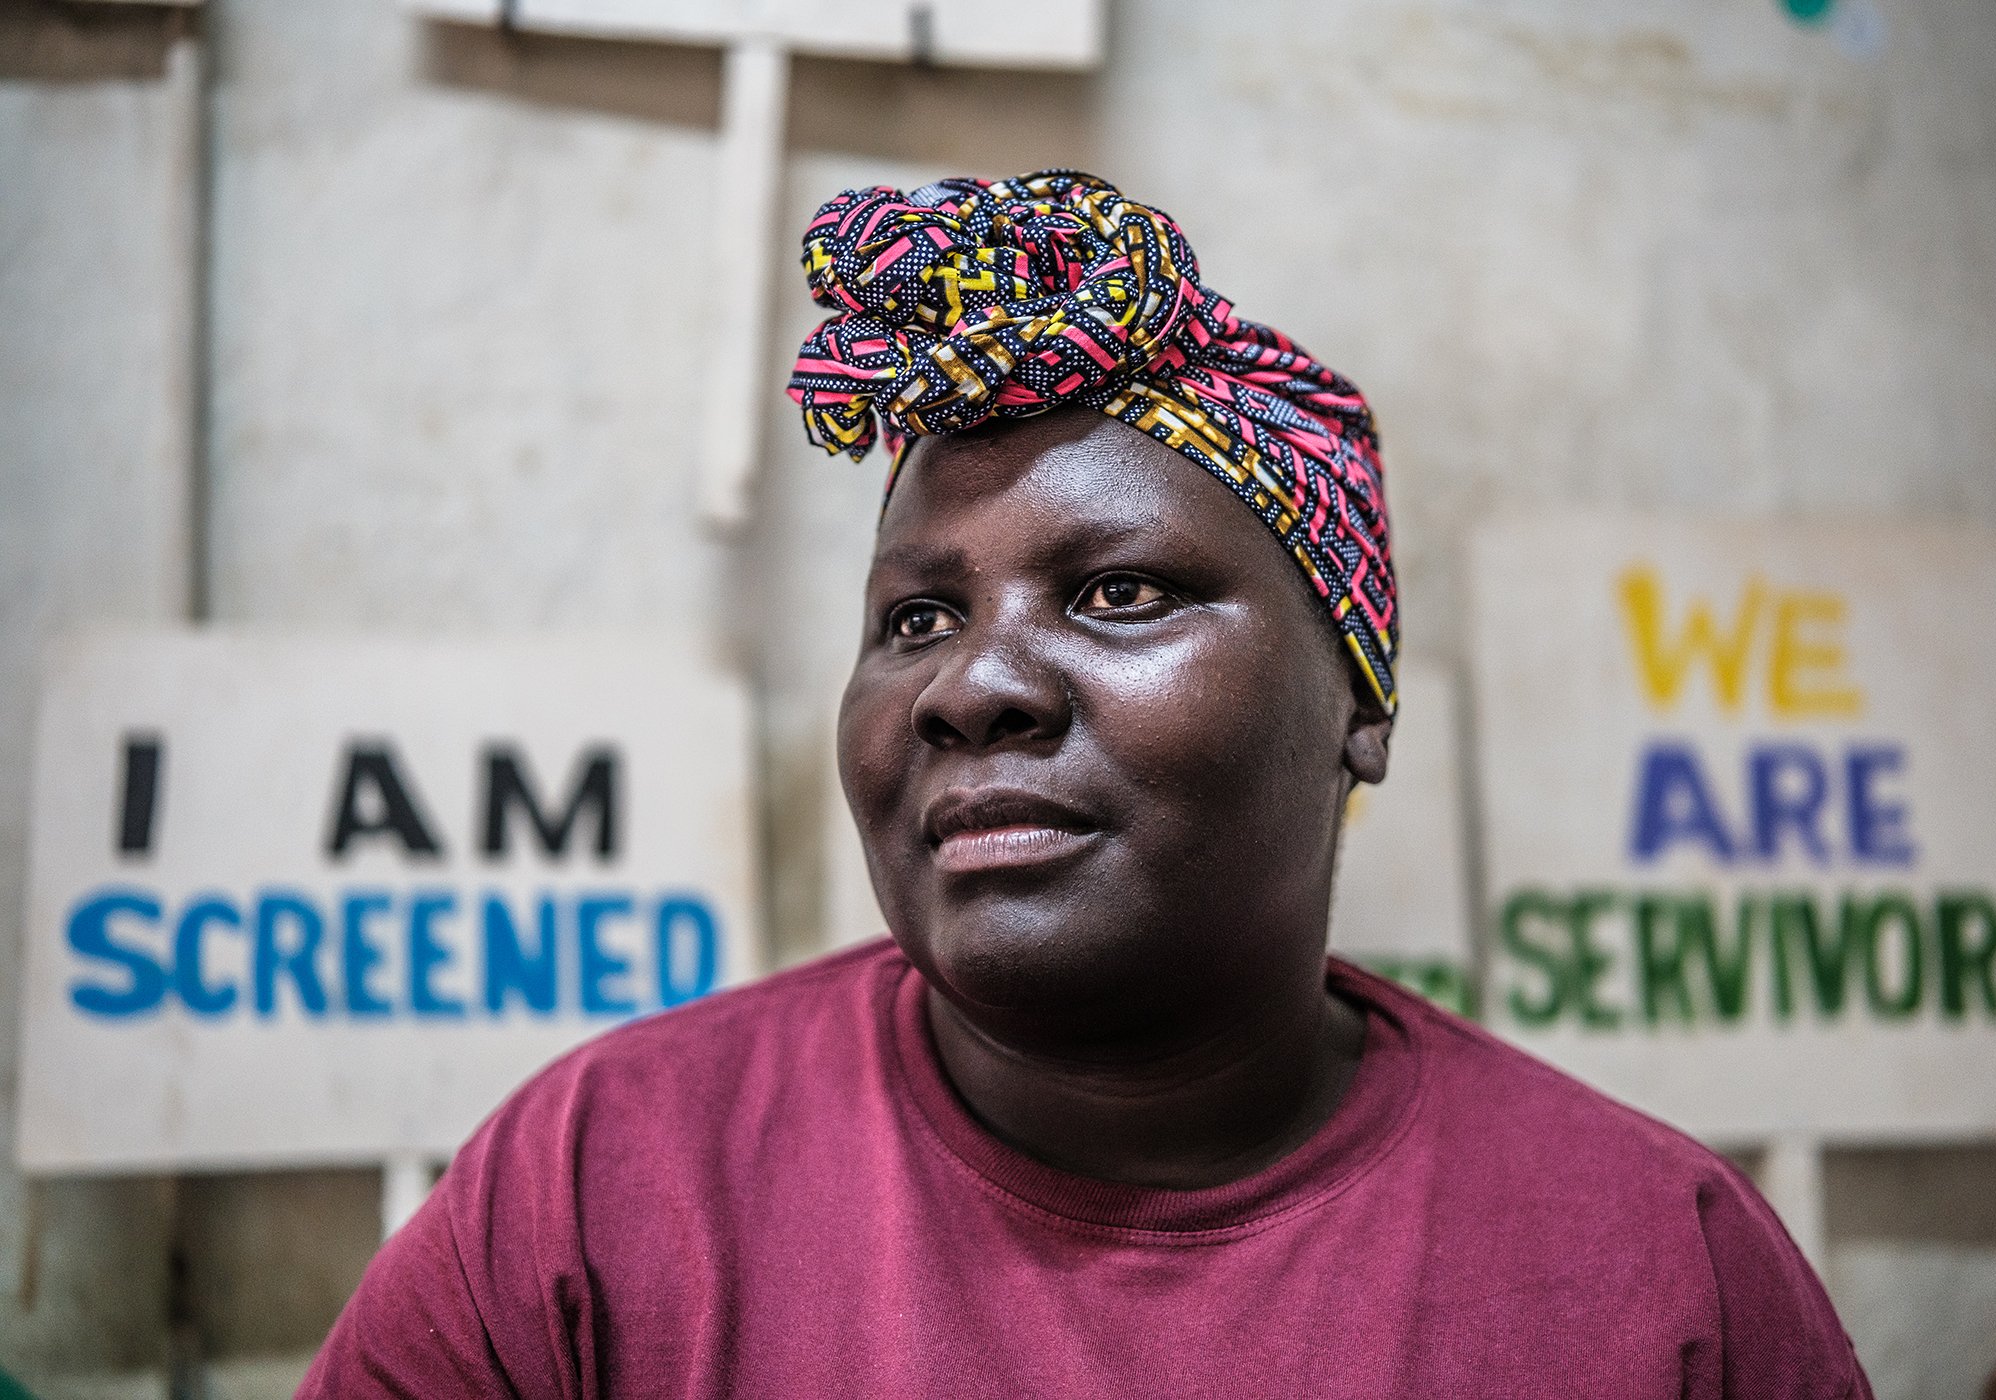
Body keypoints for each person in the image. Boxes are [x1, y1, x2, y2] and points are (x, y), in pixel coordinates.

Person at [300, 171, 1871, 1398]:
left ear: (1359, 703)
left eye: (1119, 594)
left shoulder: (1662, 1278)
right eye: (916, 619)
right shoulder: (597, 1195)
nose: (971, 686)